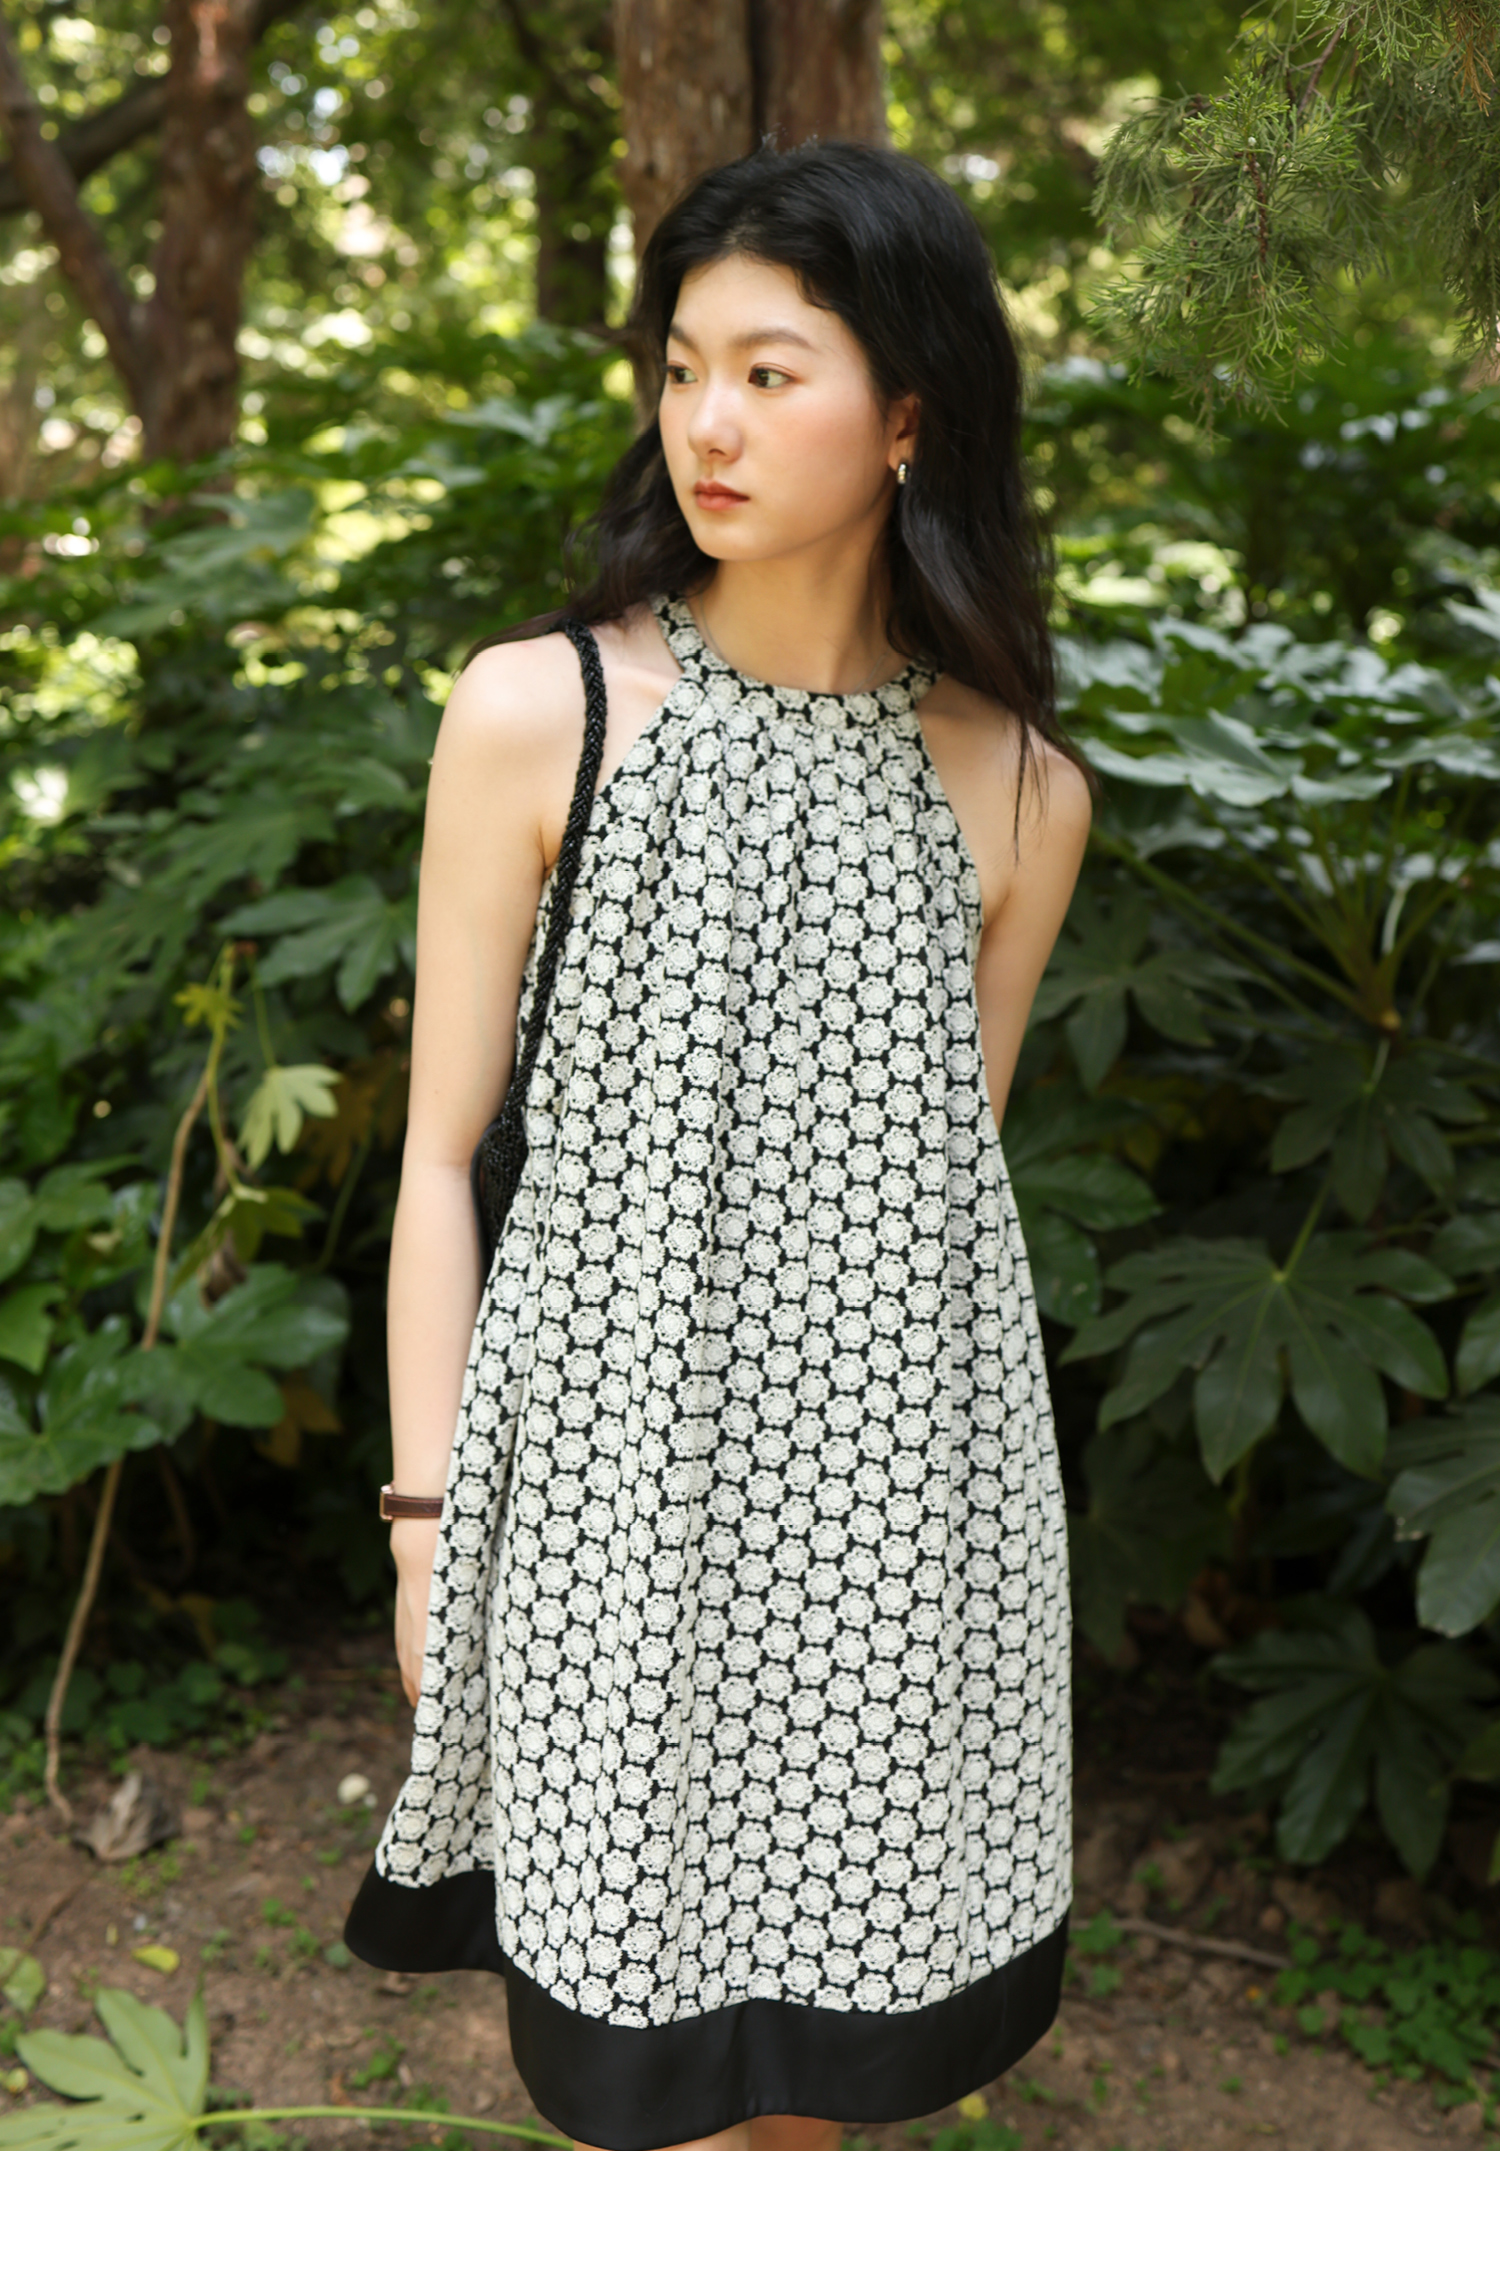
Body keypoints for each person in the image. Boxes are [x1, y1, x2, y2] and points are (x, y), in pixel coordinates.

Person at [345, 139, 1092, 2152]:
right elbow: (441, 1161)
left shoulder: (1023, 790)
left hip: (899, 1535)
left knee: (824, 2088)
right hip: (602, 1509)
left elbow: (941, 1201)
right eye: (684, 369)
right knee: (635, 2081)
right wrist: (425, 1521)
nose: (709, 422)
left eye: (771, 372)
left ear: (911, 412)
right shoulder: (542, 714)